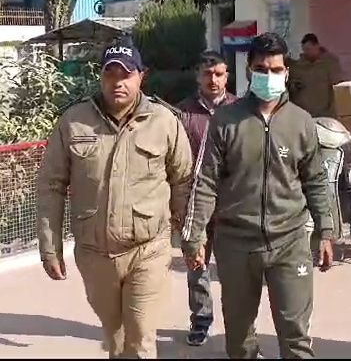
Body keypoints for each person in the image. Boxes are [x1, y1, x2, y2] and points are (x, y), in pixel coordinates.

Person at [36, 39, 193, 358]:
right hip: (95, 254)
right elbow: (51, 185)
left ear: (141, 77)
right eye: (110, 74)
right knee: (116, 337)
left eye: (126, 74)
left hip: (148, 249)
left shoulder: (164, 121)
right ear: (101, 76)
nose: (118, 82)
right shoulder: (74, 121)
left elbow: (183, 180)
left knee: (140, 336)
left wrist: (189, 237)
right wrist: (50, 247)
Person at [182, 32, 334, 359]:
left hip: (289, 242)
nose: (269, 76)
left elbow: (316, 181)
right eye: (261, 69)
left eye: (276, 69)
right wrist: (194, 236)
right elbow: (205, 181)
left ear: (287, 72)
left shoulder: (301, 122)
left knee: (295, 336)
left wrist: (326, 230)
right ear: (249, 71)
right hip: (236, 243)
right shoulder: (226, 121)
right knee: (240, 339)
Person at [177, 50, 237, 346]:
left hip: (232, 207)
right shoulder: (182, 113)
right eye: (207, 74)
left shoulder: (241, 110)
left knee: (235, 272)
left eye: (218, 74)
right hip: (195, 207)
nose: (213, 80)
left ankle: (238, 326)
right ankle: (201, 320)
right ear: (197, 77)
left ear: (227, 76)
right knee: (196, 266)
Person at [288, 33, 343, 117]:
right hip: (305, 114)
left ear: (316, 46)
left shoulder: (329, 63)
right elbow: (291, 84)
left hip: (325, 113)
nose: (306, 52)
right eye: (304, 50)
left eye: (308, 49)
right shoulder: (299, 66)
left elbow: (337, 84)